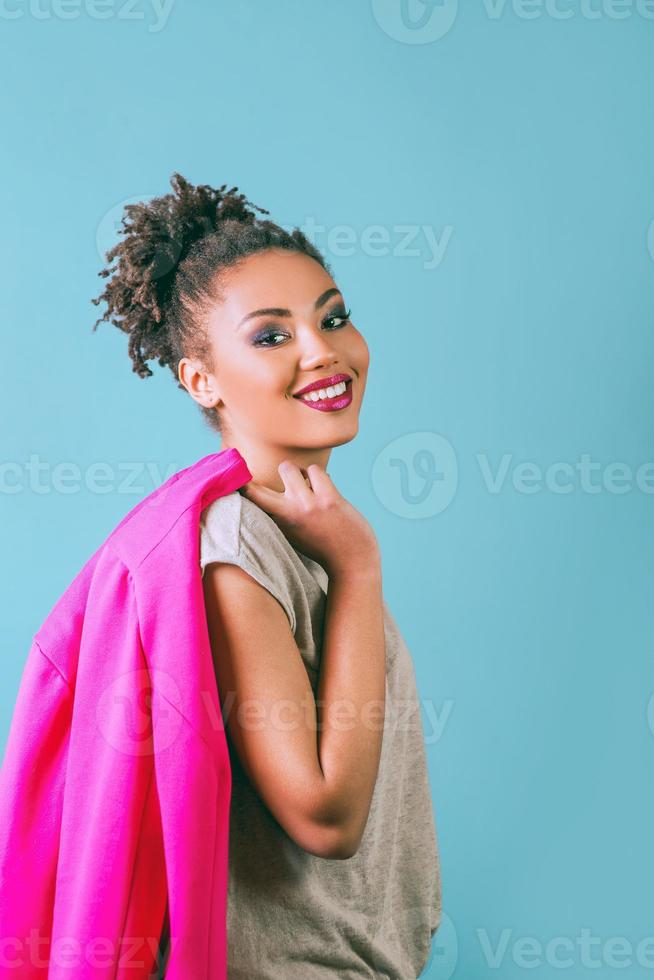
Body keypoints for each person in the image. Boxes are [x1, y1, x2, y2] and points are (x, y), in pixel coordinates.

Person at [92, 172, 442, 979]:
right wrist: (359, 568)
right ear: (201, 380)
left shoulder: (298, 538)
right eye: (271, 335)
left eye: (334, 318)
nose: (324, 351)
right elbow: (324, 815)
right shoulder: (237, 545)